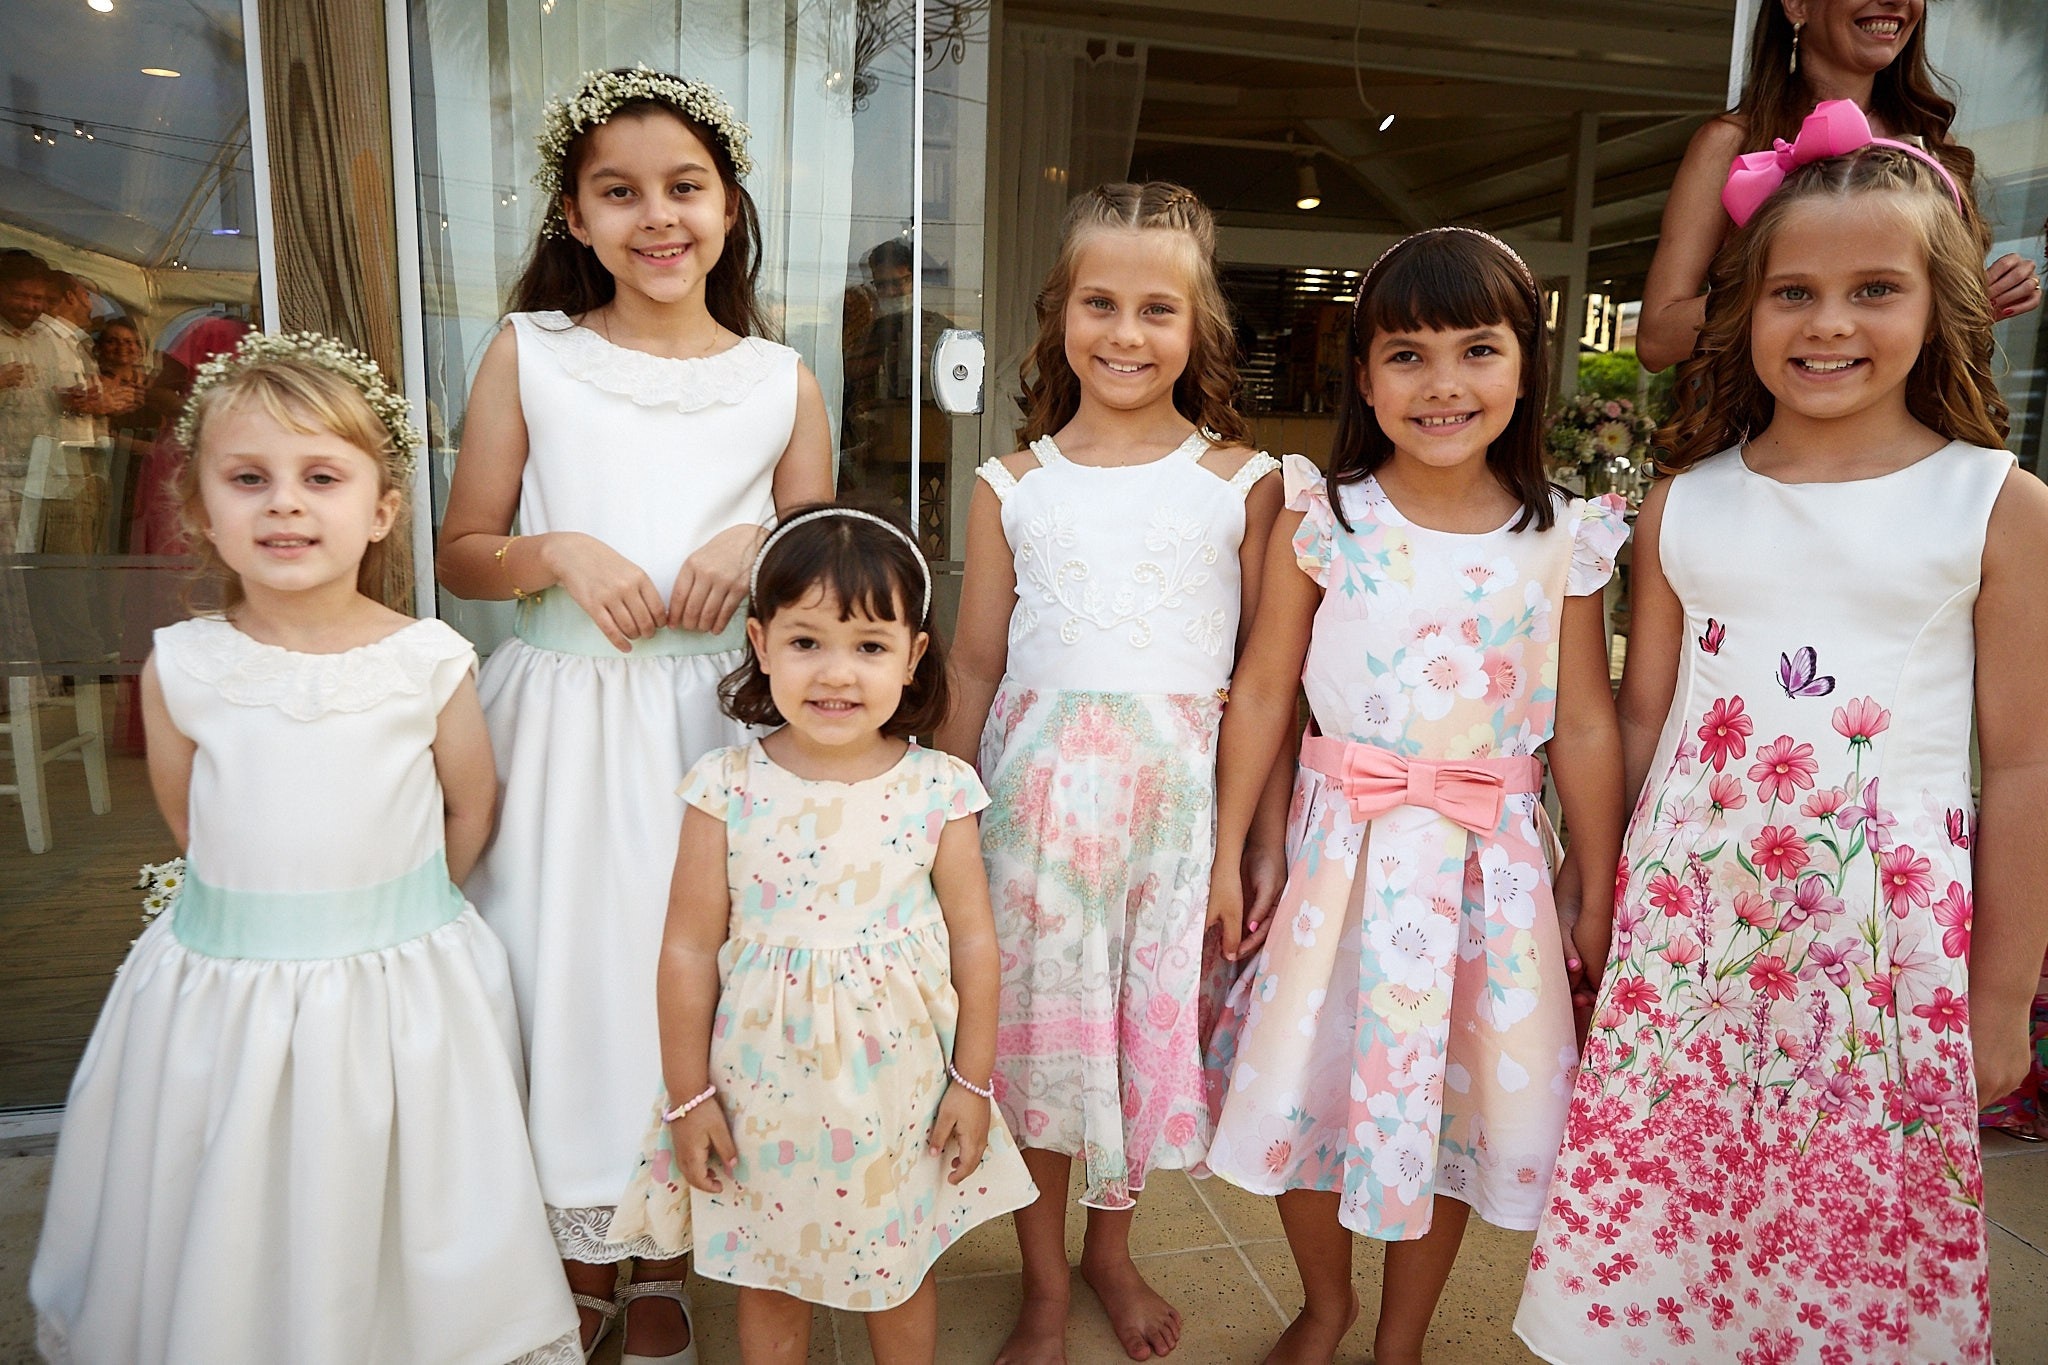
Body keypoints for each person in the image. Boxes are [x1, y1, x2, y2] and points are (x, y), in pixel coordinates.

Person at [1514, 128, 2048, 1364]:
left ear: (1940, 306)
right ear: (1744, 308)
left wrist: (2002, 997)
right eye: (1792, 291)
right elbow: (1641, 719)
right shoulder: (1685, 497)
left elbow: (2021, 764)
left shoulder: (1993, 502)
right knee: (1678, 1232)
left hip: (1876, 957)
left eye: (1875, 290)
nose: (1828, 324)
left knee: (1840, 1251)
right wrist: (1586, 885)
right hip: (1686, 941)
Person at [26, 332, 578, 1365]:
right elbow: (194, 825)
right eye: (248, 480)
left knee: (385, 1187)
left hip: (397, 985)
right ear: (198, 510)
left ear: (379, 510)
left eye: (320, 477)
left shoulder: (428, 659)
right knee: (238, 1180)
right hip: (226, 990)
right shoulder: (184, 665)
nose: (285, 503)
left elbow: (470, 807)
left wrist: (397, 925)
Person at [434, 65, 834, 1363]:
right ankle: (570, 1248)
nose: (657, 218)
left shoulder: (781, 377)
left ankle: (665, 1246)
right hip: (561, 718)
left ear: (729, 206)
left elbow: (824, 559)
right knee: (566, 973)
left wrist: (760, 535)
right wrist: (551, 553)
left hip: (714, 724)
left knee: (701, 978)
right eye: (621, 193)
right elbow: (460, 551)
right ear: (573, 214)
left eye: (684, 189)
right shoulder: (531, 352)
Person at [1201, 226, 1629, 1365]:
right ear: (1362, 377)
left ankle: (1401, 1338)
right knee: (1305, 1087)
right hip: (1339, 859)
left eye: (1476, 350)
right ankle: (1325, 1304)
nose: (1442, 384)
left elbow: (1583, 719)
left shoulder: (1561, 537)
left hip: (1488, 874)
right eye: (1407, 355)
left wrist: (1593, 874)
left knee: (1442, 1113)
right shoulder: (1326, 516)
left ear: (1525, 367)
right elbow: (1261, 692)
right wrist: (1233, 843)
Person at [933, 180, 1283, 1365]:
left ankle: (1111, 1254)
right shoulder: (1011, 484)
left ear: (1198, 333)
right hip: (1029, 821)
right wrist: (930, 823)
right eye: (1098, 303)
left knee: (1136, 1046)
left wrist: (1247, 843)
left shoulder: (1244, 481)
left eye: (1154, 310)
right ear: (1059, 314)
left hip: (1171, 824)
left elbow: (1261, 690)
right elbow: (975, 666)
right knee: (1036, 1045)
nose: (1124, 335)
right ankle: (1041, 1280)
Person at [609, 505, 1037, 1363]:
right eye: (807, 642)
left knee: (900, 1269)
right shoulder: (724, 786)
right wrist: (688, 1095)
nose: (836, 673)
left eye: (870, 646)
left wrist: (973, 1082)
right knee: (769, 1273)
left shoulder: (939, 787)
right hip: (760, 1092)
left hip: (900, 1091)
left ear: (914, 656)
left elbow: (977, 945)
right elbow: (688, 949)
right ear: (761, 644)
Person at [1634, 0, 2040, 373]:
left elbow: (1933, 337)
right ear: (1796, 4)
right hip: (1763, 431)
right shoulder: (1728, 143)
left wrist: (1970, 304)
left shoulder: (1936, 148)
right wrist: (1788, 297)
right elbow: (1656, 340)